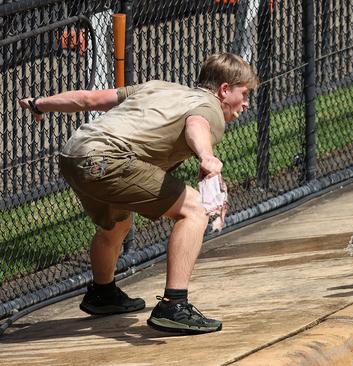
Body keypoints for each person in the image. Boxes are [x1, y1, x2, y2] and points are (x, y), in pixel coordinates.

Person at [19, 52, 258, 334]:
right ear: (224, 89)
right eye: (244, 93)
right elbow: (197, 125)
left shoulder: (159, 87)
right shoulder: (211, 109)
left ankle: (103, 294)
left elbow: (90, 100)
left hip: (74, 155)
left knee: (117, 224)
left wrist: (39, 104)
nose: (246, 103)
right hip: (108, 159)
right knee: (195, 209)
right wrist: (206, 155)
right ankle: (174, 305)